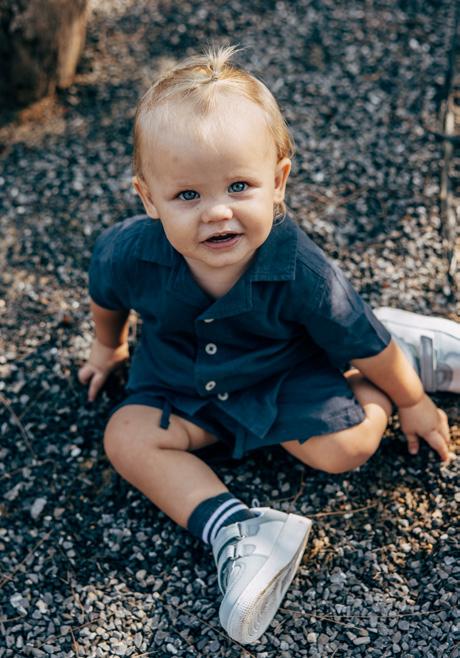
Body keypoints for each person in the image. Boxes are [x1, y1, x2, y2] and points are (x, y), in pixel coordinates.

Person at [78, 46, 456, 645]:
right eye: (187, 196)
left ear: (277, 182)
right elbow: (106, 297)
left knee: (346, 448)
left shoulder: (302, 270)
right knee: (124, 437)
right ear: (148, 198)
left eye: (239, 186)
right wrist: (108, 348)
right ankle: (237, 531)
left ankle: (400, 358)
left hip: (282, 376)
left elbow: (361, 343)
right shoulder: (129, 252)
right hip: (179, 382)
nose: (217, 212)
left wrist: (410, 401)